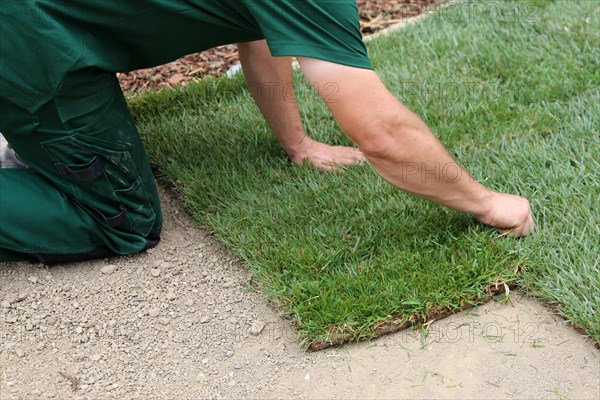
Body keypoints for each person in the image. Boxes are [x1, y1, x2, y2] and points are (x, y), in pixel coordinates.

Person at [0, 0, 534, 265]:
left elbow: (259, 28)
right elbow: (382, 134)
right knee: (120, 220)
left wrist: (297, 144)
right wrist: (486, 203)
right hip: (24, 38)